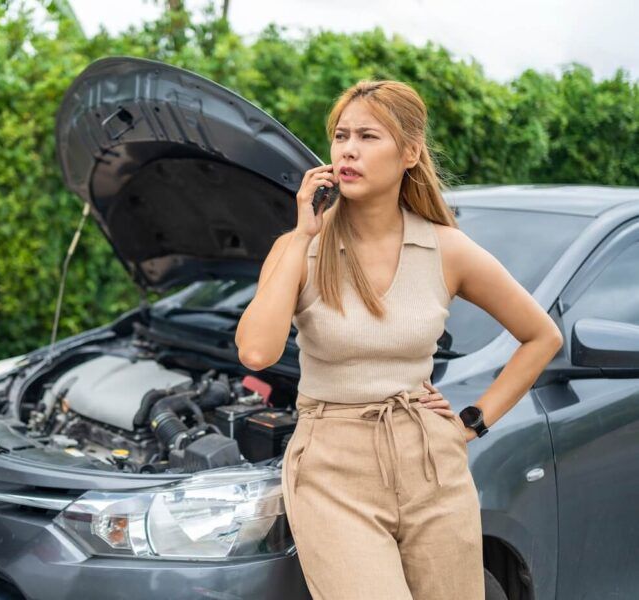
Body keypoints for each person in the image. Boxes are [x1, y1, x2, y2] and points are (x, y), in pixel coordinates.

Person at [234, 80, 563, 599]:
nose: (348, 150)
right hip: (332, 468)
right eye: (341, 136)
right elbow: (256, 352)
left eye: (368, 136)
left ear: (410, 153)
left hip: (431, 463)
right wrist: (301, 236)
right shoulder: (300, 248)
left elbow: (541, 336)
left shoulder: (446, 249)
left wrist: (470, 424)